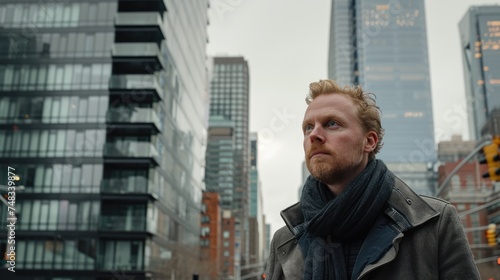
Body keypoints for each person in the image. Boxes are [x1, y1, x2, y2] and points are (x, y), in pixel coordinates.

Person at [264, 79, 481, 280]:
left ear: (369, 141)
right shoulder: (285, 241)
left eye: (331, 124)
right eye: (308, 127)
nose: (314, 135)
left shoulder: (434, 225)